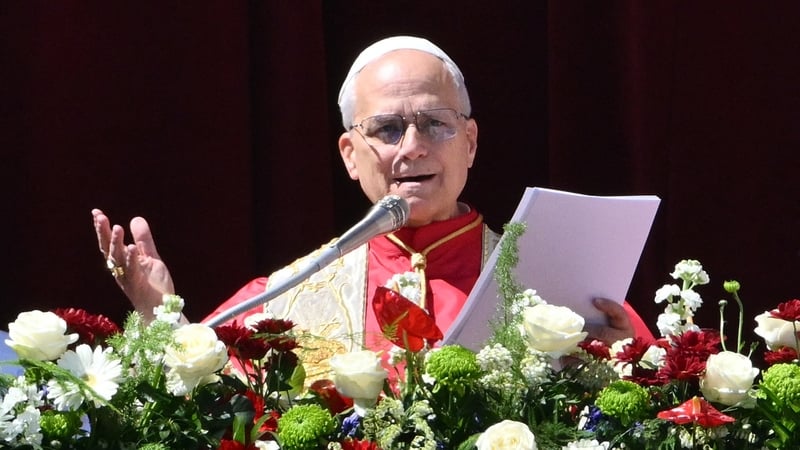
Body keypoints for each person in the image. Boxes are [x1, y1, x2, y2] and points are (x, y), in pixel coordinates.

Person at [93, 36, 652, 372]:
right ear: (349, 155)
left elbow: (657, 385)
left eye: (436, 123)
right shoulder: (294, 293)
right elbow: (200, 386)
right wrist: (157, 313)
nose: (413, 147)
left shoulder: (553, 280)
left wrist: (621, 362)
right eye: (386, 129)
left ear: (472, 142)